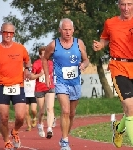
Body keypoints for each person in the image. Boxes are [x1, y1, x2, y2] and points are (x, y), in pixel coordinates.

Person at [42, 18, 89, 150]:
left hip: (75, 82)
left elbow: (86, 60)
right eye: (65, 29)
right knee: (65, 110)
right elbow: (45, 59)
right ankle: (65, 143)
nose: (67, 32)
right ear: (60, 30)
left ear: (73, 30)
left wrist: (83, 65)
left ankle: (64, 137)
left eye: (69, 29)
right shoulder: (53, 45)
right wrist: (47, 76)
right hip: (61, 82)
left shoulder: (79, 43)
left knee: (72, 113)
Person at [0, 22, 31, 150]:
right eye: (5, 32)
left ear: (14, 34)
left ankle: (15, 131)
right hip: (2, 86)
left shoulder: (20, 48)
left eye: (11, 33)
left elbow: (27, 61)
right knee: (4, 117)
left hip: (18, 85)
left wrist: (27, 69)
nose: (8, 35)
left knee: (21, 116)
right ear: (1, 33)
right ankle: (6, 141)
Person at [92, 0, 133, 148]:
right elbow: (105, 39)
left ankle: (118, 128)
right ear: (118, 5)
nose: (126, 8)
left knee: (131, 110)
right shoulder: (110, 23)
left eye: (129, 4)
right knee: (129, 106)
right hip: (118, 66)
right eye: (123, 4)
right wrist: (100, 45)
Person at [31, 46, 55, 139]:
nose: (45, 56)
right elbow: (31, 77)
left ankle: (49, 129)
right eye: (43, 54)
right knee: (41, 111)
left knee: (50, 108)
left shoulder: (51, 63)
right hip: (39, 89)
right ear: (40, 55)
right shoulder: (36, 64)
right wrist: (39, 74)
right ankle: (40, 125)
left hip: (50, 87)